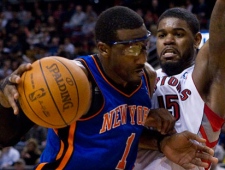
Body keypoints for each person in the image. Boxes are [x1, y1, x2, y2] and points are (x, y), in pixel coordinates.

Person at [0, 6, 217, 170]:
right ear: (104, 49)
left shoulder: (148, 77)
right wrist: (4, 96)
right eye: (132, 50)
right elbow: (6, 136)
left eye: (144, 47)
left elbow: (121, 132)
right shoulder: (75, 81)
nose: (142, 58)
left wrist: (160, 140)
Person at [135, 0, 225, 170]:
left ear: (197, 40)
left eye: (178, 34)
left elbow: (220, 42)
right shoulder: (144, 78)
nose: (168, 40)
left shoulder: (203, 78)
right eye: (162, 35)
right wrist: (143, 117)